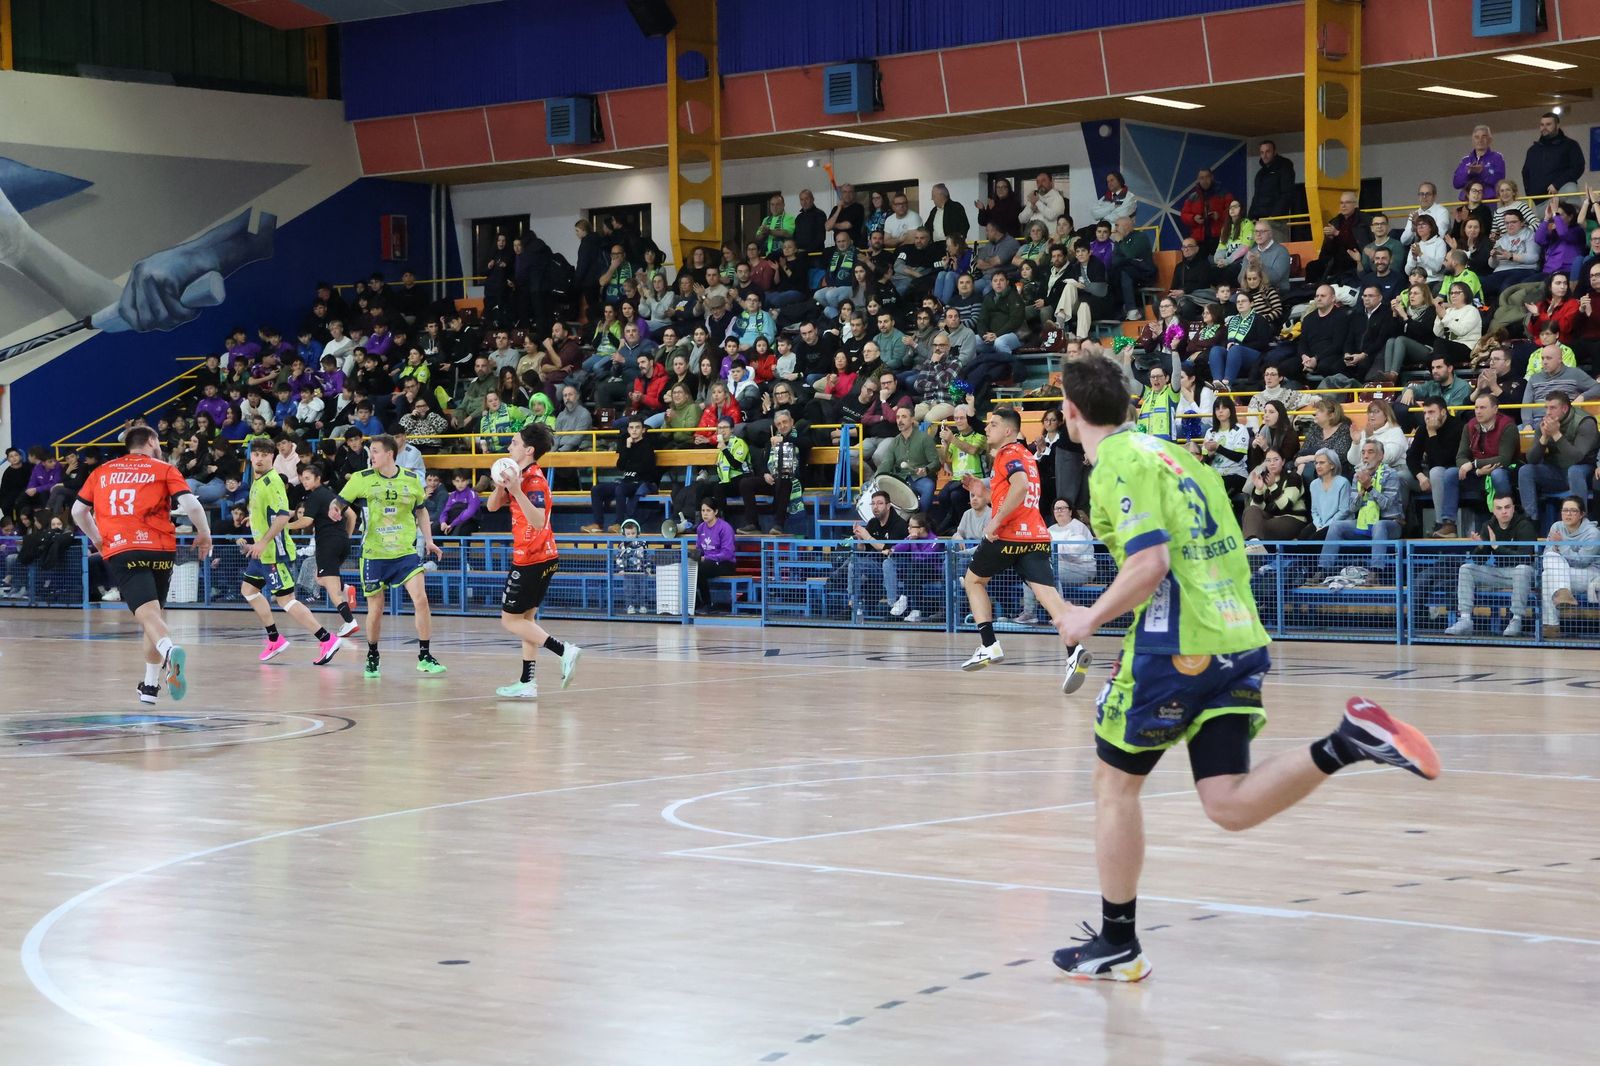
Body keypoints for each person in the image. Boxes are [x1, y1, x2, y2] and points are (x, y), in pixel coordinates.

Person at [1050, 353, 1440, 982]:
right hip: (1238, 632)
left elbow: (1148, 565)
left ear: (1071, 412)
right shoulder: (1180, 456)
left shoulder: (1116, 466)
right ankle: (1346, 743)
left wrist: (1084, 619)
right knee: (1226, 803)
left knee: (1114, 787)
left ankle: (1118, 940)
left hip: (1177, 644)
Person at [70, 427, 212, 704]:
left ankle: (170, 653)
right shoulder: (164, 469)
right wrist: (204, 533)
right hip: (160, 549)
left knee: (147, 615)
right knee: (154, 616)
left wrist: (98, 539)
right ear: (150, 441)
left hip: (123, 547)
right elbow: (191, 505)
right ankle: (150, 685)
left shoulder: (101, 472)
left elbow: (78, 511)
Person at [958, 407, 1091, 695]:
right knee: (1048, 597)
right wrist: (982, 488)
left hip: (1009, 535)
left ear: (1008, 431)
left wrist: (995, 520)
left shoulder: (1008, 454)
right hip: (1036, 534)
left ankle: (988, 644)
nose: (987, 429)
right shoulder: (1028, 457)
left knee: (973, 580)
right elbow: (1015, 489)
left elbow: (1018, 488)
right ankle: (1074, 650)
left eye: (993, 424)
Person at [330, 434, 445, 679]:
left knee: (421, 599)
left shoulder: (412, 479)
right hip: (374, 553)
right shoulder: (361, 478)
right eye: (370, 451)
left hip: (405, 551)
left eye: (375, 451)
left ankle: (425, 656)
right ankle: (373, 655)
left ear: (389, 453)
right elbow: (338, 503)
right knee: (376, 608)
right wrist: (334, 511)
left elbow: (422, 512)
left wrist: (430, 540)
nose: (370, 456)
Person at [486, 423, 582, 698]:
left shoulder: (534, 480)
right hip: (540, 557)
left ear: (528, 450)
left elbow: (538, 521)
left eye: (514, 443)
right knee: (527, 619)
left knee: (510, 620)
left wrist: (516, 491)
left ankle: (564, 651)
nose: (509, 447)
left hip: (532, 558)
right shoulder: (518, 475)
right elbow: (492, 506)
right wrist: (502, 486)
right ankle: (527, 682)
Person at [239, 438, 343, 666]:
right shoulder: (256, 480)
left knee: (285, 600)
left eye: (264, 454)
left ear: (272, 457)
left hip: (274, 552)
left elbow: (283, 516)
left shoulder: (273, 481)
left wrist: (263, 542)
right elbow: (264, 512)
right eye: (255, 454)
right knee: (248, 590)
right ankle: (275, 639)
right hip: (261, 553)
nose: (259, 458)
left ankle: (327, 639)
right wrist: (254, 522)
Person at [1444, 495, 1538, 639]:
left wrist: (1495, 546)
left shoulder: (1525, 525)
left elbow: (1524, 557)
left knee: (1522, 569)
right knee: (1466, 568)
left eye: (1507, 507)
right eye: (1499, 508)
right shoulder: (1488, 526)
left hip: (1524, 574)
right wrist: (1481, 546)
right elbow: (1478, 560)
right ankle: (1465, 619)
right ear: (1494, 511)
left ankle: (1516, 619)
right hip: (1499, 573)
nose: (1504, 511)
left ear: (1513, 508)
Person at [291, 463, 359, 637]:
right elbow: (352, 515)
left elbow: (306, 521)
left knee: (330, 585)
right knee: (320, 577)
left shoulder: (315, 497)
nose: (304, 482)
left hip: (327, 544)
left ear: (318, 478)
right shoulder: (333, 495)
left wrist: (284, 526)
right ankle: (347, 588)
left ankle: (350, 622)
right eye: (302, 479)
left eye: (307, 478)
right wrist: (346, 537)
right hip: (342, 542)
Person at [1015, 499, 1096, 625]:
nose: (1059, 511)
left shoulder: (1078, 527)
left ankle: (1061, 614)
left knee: (1050, 571)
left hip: (1082, 569)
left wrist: (1053, 549)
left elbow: (1075, 552)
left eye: (1063, 508)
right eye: (1056, 509)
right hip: (1058, 567)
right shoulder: (1051, 529)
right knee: (1031, 571)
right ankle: (1029, 613)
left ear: (1070, 511)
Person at [1539, 496, 1600, 636]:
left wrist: (1561, 545)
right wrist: (1562, 552)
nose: (1568, 514)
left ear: (1582, 514)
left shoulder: (1593, 533)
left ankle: (1551, 626)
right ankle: (1563, 593)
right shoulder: (1556, 527)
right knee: (1549, 566)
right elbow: (1548, 552)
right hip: (1564, 573)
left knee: (1548, 575)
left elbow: (1583, 561)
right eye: (1565, 510)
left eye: (1573, 511)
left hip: (1589, 574)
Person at [689, 499, 736, 612]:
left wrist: (708, 558)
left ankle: (707, 603)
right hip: (707, 562)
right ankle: (695, 603)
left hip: (725, 564)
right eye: (703, 510)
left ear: (715, 512)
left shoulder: (725, 528)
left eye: (708, 510)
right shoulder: (700, 528)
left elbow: (727, 553)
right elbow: (699, 548)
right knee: (688, 568)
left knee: (700, 569)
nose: (705, 513)